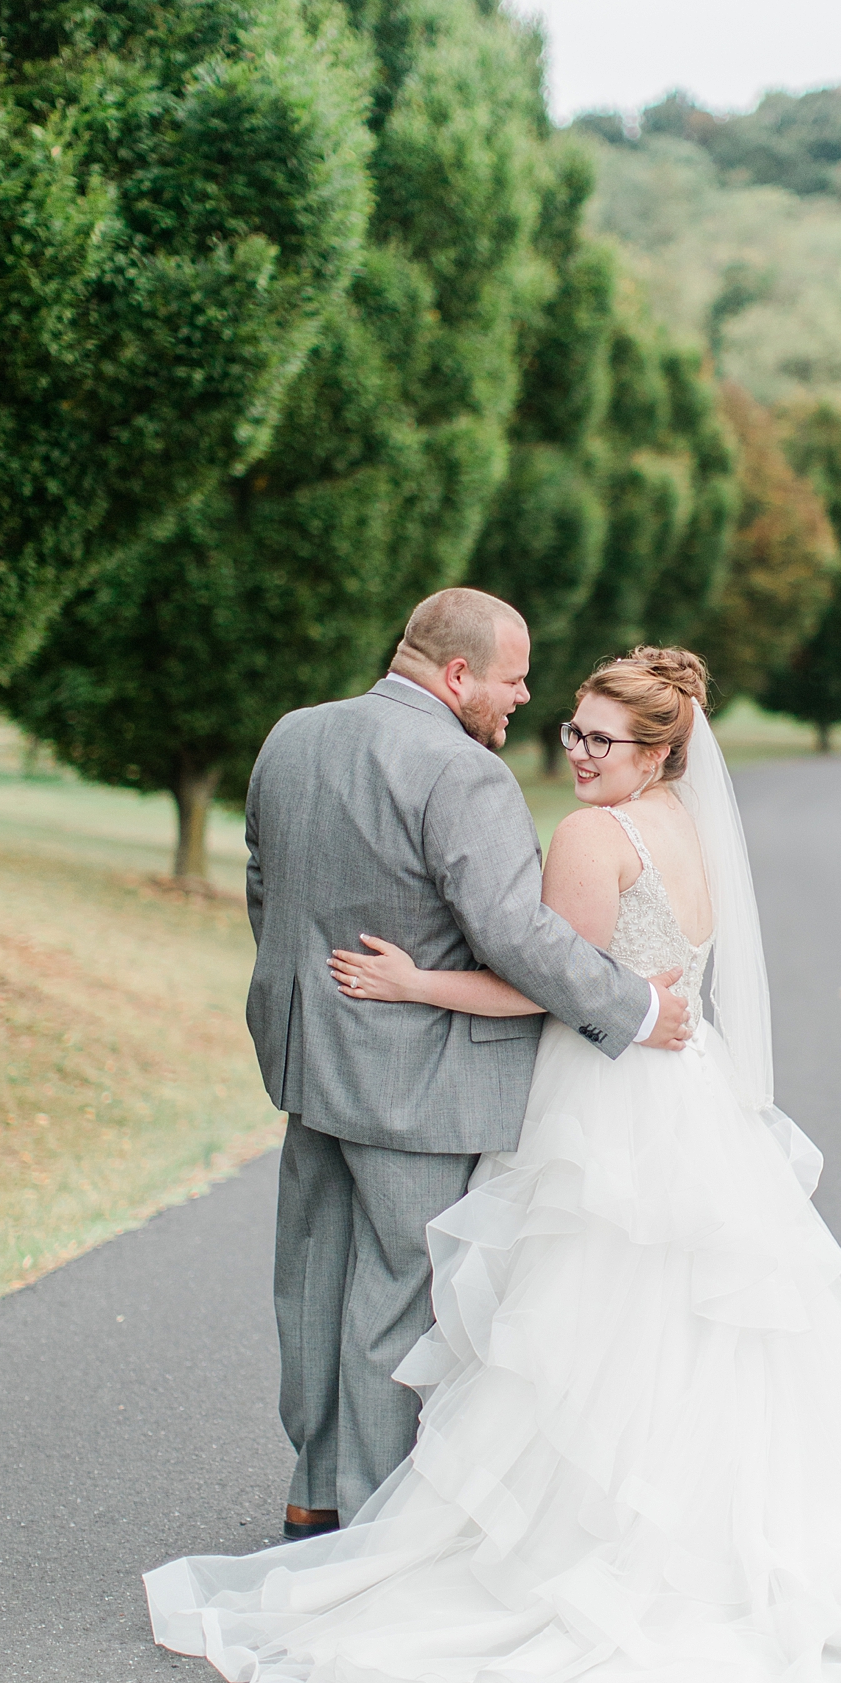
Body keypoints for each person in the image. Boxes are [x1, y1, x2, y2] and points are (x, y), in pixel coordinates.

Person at [147, 645, 841, 1683]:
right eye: (570, 729)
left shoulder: (588, 835)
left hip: (605, 1104)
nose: (573, 752)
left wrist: (415, 983)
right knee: (694, 1333)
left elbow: (538, 975)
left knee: (576, 1324)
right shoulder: (687, 831)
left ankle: (548, 1546)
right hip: (690, 1101)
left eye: (599, 739)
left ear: (658, 752)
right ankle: (691, 1537)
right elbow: (647, 973)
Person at [239, 590, 691, 1541]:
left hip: (309, 1058)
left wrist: (313, 1002)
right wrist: (637, 1004)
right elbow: (517, 934)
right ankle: (368, 1522)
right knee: (398, 1296)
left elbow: (264, 885)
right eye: (513, 677)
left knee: (313, 1278)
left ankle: (312, 1489)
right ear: (456, 675)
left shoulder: (294, 734)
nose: (525, 697)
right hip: (424, 1082)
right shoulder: (462, 773)